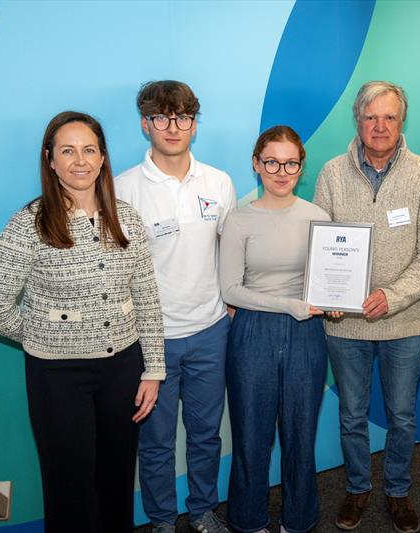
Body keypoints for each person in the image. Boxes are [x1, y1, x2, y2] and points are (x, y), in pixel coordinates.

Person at [0, 111, 165, 533]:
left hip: (123, 370)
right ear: (51, 160)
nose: (80, 160)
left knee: (116, 481)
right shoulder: (30, 224)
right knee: (69, 488)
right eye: (67, 150)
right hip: (57, 376)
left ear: (102, 158)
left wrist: (153, 368)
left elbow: (147, 299)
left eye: (89, 150)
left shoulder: (126, 218)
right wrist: (49, 334)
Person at [314, 81, 420, 532]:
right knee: (351, 414)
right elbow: (321, 242)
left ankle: (396, 490)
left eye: (389, 117)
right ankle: (356, 488)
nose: (380, 126)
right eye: (371, 116)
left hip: (406, 322)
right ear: (358, 119)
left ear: (401, 121)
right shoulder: (332, 173)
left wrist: (392, 296)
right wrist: (330, 296)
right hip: (344, 325)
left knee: (402, 415)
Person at [115, 81, 236, 533]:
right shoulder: (123, 188)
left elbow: (231, 247)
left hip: (210, 331)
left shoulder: (219, 182)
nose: (173, 127)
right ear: (146, 123)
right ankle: (162, 520)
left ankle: (203, 509)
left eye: (183, 117)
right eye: (162, 117)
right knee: (157, 440)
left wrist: (232, 304)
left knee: (206, 434)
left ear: (194, 124)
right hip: (152, 340)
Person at [220, 125, 332, 533]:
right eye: (271, 161)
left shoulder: (318, 218)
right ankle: (249, 521)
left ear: (301, 167)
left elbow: (328, 279)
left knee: (301, 437)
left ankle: (298, 521)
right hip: (252, 334)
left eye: (290, 163)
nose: (281, 171)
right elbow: (229, 288)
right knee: (251, 436)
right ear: (256, 164)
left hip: (306, 335)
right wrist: (289, 305)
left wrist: (334, 303)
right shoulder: (238, 219)